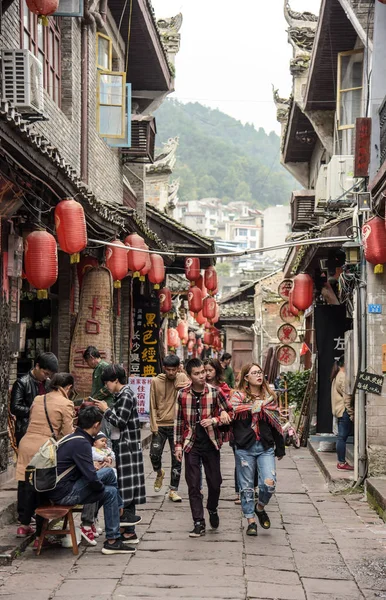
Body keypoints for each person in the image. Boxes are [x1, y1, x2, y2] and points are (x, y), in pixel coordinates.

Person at [48, 406, 136, 555]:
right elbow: (91, 478)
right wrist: (100, 489)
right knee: (108, 473)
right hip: (64, 492)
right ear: (96, 425)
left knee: (112, 492)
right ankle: (121, 512)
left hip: (63, 488)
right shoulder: (81, 443)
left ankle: (113, 541)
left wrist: (102, 489)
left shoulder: (74, 438)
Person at [174, 358, 233, 538]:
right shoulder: (182, 395)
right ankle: (198, 522)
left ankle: (212, 508)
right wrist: (177, 446)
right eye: (198, 373)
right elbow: (178, 421)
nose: (202, 376)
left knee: (215, 483)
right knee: (193, 484)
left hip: (211, 442)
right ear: (190, 376)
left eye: (203, 372)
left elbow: (230, 412)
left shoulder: (215, 393)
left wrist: (215, 419)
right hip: (191, 443)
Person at [15, 372, 74, 539]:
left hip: (26, 444)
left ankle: (23, 525)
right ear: (67, 387)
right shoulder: (66, 403)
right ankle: (41, 534)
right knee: (42, 488)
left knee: (25, 484)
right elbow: (67, 433)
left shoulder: (38, 399)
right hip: (44, 448)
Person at [231, 362, 285, 537]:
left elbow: (275, 422)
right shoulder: (237, 397)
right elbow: (232, 413)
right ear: (246, 378)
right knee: (246, 487)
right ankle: (250, 521)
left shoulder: (270, 397)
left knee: (269, 482)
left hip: (265, 446)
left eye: (260, 372)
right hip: (244, 447)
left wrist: (280, 447)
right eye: (254, 373)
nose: (258, 375)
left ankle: (260, 507)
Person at [94, 365, 145, 546]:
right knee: (126, 488)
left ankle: (128, 531)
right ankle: (127, 531)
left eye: (107, 382)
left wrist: (105, 410)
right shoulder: (123, 395)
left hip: (126, 447)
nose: (106, 386)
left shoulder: (125, 395)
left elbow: (120, 421)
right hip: (124, 447)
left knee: (125, 489)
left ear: (115, 380)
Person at [149, 355, 189, 502]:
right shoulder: (155, 381)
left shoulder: (182, 377)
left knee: (176, 459)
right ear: (164, 368)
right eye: (168, 369)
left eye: (174, 369)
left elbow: (192, 387)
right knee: (154, 454)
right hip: (159, 425)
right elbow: (152, 403)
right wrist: (153, 424)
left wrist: (183, 381)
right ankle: (159, 472)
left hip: (177, 425)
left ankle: (173, 490)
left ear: (178, 367)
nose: (171, 373)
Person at [10, 352, 58, 446]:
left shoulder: (48, 383)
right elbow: (15, 407)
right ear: (37, 366)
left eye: (49, 375)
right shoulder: (22, 383)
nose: (46, 377)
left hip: (46, 427)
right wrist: (35, 411)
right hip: (27, 427)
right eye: (45, 373)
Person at [331, 357, 354, 471]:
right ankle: (341, 462)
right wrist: (351, 412)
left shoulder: (337, 375)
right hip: (344, 410)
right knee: (342, 437)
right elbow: (347, 397)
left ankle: (341, 461)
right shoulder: (343, 376)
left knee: (341, 437)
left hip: (339, 409)